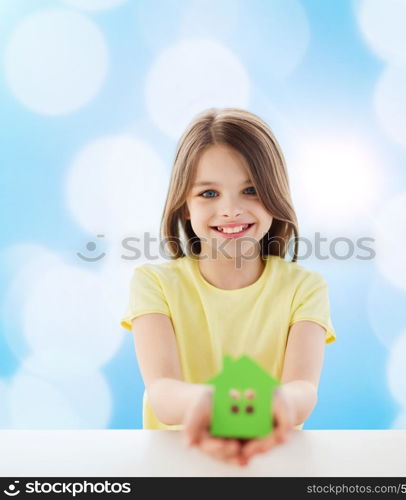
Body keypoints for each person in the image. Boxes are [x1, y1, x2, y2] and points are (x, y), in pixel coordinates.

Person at [120, 107, 336, 467]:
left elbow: (302, 389)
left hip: (271, 464)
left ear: (274, 194)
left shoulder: (305, 288)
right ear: (185, 206)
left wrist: (278, 404)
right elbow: (162, 392)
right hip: (176, 467)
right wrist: (212, 405)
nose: (231, 209)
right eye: (208, 194)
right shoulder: (154, 284)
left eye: (250, 190)